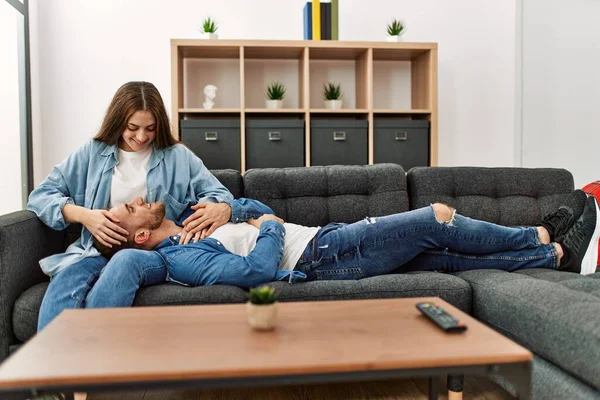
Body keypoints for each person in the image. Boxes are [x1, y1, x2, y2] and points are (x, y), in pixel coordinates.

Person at [27, 81, 260, 331]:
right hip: (96, 250)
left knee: (125, 262)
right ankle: (52, 365)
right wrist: (85, 216)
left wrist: (221, 209)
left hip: (157, 252)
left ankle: (96, 356)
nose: (141, 137)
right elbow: (41, 196)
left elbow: (217, 193)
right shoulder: (93, 153)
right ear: (118, 122)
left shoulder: (177, 156)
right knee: (67, 278)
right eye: (132, 128)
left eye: (150, 128)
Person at [94, 190, 599, 290]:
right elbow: (257, 271)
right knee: (435, 217)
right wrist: (267, 228)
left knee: (440, 261)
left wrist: (239, 210)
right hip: (323, 256)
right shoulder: (181, 259)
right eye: (130, 207)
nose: (138, 198)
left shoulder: (194, 214)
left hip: (323, 239)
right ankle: (539, 232)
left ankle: (552, 257)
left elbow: (259, 210)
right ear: (140, 234)